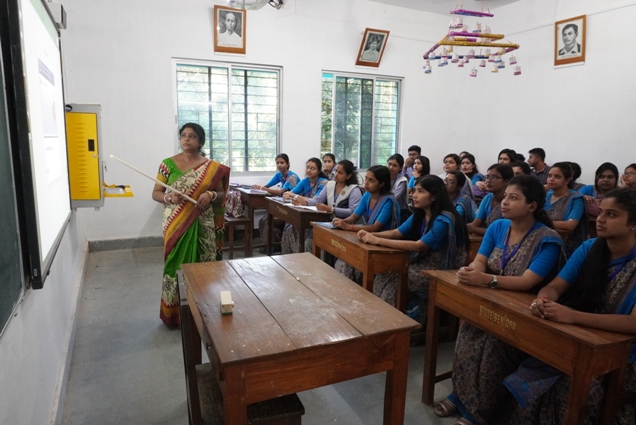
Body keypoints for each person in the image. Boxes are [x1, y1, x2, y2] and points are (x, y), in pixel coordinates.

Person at [436, 175, 566, 425]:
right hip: (489, 300)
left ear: (532, 206)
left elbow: (528, 281)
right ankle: (461, 395)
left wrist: (486, 279)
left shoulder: (547, 239)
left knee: (492, 348)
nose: (504, 202)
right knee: (466, 336)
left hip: (522, 312)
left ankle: (483, 411)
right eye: (505, 196)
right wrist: (472, 271)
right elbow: (480, 259)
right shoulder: (498, 227)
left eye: (513, 198)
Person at [506, 187, 636, 425]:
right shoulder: (589, 248)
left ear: (633, 224)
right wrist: (543, 300)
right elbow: (555, 286)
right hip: (579, 336)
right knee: (517, 351)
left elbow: (633, 323)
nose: (600, 219)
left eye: (612, 214)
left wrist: (573, 316)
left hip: (623, 354)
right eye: (601, 212)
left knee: (572, 384)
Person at [152, 123, 230, 327]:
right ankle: (174, 314)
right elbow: (156, 193)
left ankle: (202, 311)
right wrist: (169, 198)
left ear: (200, 141)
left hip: (202, 222)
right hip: (176, 222)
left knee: (202, 265)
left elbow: (222, 194)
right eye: (183, 135)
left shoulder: (211, 168)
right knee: (174, 264)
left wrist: (210, 194)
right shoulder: (167, 164)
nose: (186, 139)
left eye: (192, 136)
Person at [362, 175, 468, 313]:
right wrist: (369, 234)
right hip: (419, 261)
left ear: (434, 197)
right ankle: (378, 314)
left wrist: (377, 240)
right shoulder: (420, 214)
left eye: (421, 191)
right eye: (415, 190)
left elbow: (418, 246)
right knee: (383, 273)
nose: (414, 195)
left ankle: (397, 318)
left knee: (394, 278)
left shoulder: (443, 219)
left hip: (438, 268)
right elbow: (396, 233)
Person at [333, 165, 400, 281]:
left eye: (371, 180)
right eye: (366, 179)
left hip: (381, 242)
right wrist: (342, 221)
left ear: (381, 184)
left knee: (347, 264)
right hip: (367, 238)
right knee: (342, 261)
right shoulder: (367, 195)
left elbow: (376, 227)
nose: (366, 183)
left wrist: (348, 227)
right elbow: (354, 216)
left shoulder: (388, 201)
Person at [294, 160, 363, 251]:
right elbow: (318, 199)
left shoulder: (354, 190)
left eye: (340, 173)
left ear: (348, 176)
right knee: (309, 241)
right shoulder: (330, 184)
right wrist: (305, 202)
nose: (336, 174)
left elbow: (353, 211)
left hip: (346, 225)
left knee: (325, 244)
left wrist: (331, 209)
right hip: (330, 223)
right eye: (336, 171)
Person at [280, 157, 328, 253]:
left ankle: (300, 254)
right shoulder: (305, 181)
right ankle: (290, 255)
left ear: (319, 171)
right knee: (289, 227)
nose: (309, 170)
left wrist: (294, 196)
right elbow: (290, 193)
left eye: (313, 168)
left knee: (298, 228)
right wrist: (288, 194)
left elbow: (316, 200)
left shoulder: (323, 182)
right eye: (307, 167)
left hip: (317, 215)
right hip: (304, 212)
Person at [256, 154, 300, 251]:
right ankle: (269, 246)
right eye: (277, 163)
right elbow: (267, 186)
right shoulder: (279, 175)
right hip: (283, 204)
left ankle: (275, 247)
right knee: (263, 220)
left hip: (293, 207)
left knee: (270, 220)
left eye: (282, 163)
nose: (279, 165)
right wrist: (259, 188)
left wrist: (260, 188)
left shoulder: (292, 177)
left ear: (288, 164)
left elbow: (281, 192)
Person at [545, 161, 586, 253]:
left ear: (567, 180)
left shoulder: (576, 198)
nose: (551, 179)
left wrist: (544, 222)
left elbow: (570, 225)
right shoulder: (546, 195)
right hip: (542, 239)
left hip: (565, 245)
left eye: (557, 177)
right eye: (549, 176)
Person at [467, 164, 513, 236]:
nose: (488, 181)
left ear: (506, 181)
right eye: (487, 177)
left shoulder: (511, 202)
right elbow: (475, 224)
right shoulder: (488, 198)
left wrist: (473, 229)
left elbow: (503, 232)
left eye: (494, 177)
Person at [387, 153, 410, 223]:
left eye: (395, 165)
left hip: (398, 211)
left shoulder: (402, 180)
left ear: (400, 168)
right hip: (385, 209)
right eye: (389, 164)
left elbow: (393, 198)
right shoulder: (383, 178)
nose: (391, 167)